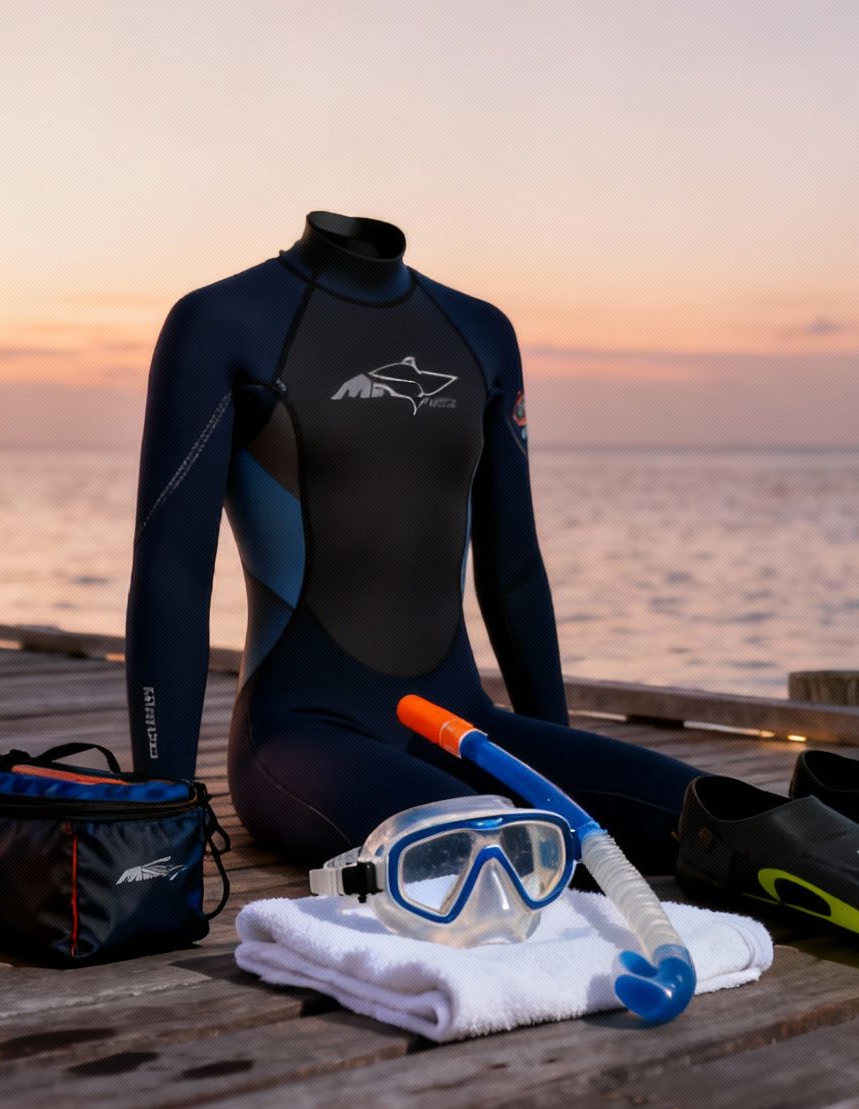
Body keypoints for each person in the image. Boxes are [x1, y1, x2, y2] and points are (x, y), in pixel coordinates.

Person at [123, 210, 702, 870]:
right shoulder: (221, 321)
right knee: (501, 859)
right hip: (300, 740)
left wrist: (553, 768)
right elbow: (173, 570)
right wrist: (161, 809)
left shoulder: (480, 331)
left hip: (461, 725)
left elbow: (512, 565)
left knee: (721, 817)